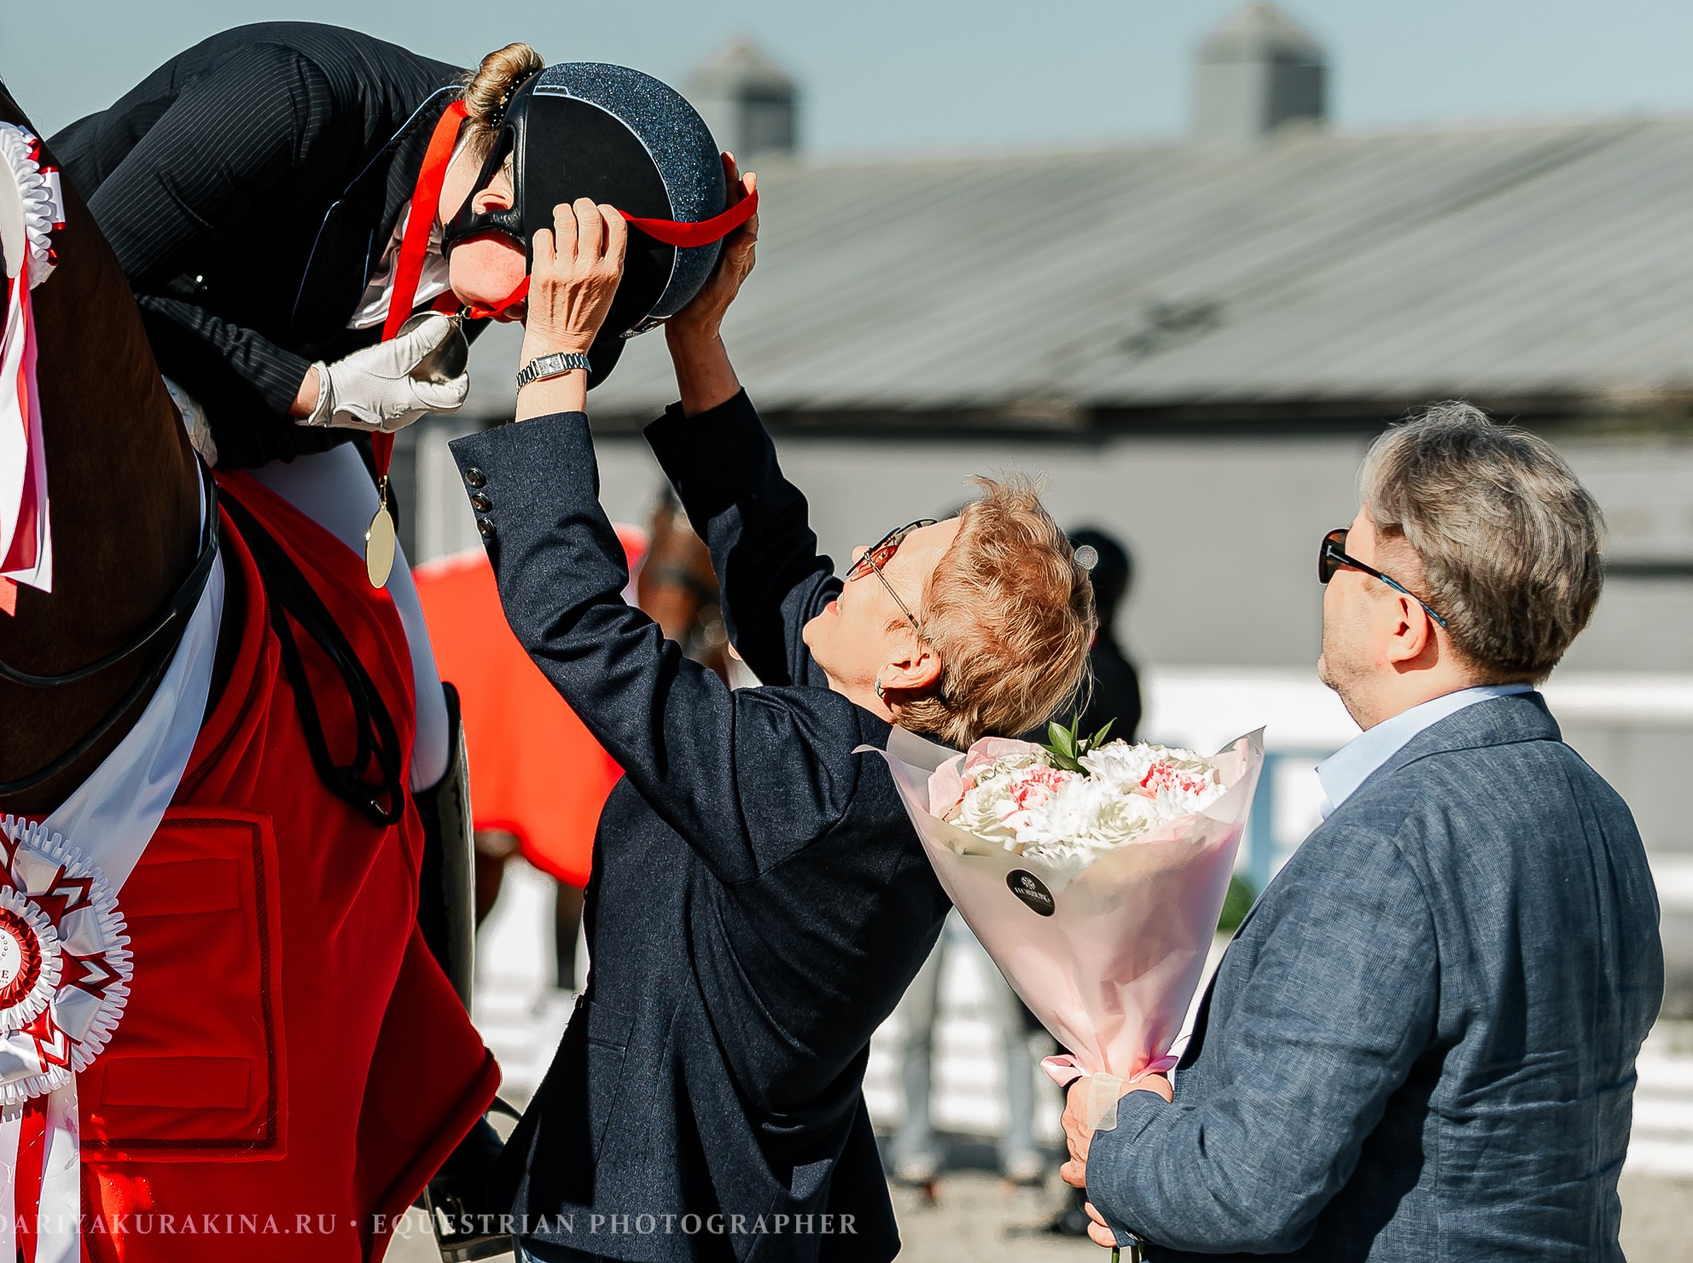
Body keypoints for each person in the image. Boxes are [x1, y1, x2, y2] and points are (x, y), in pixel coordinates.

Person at [448, 191, 1095, 1259]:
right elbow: (777, 567)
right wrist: (699, 341)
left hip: (651, 1227)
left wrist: (552, 359)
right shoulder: (901, 764)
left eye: (889, 557)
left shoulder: (801, 780)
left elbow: (573, 617)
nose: (862, 558)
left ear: (907, 658)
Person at [53, 25, 751, 798]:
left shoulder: (486, 234)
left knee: (415, 723)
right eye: (539, 298)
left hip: (250, 415)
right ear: (498, 198)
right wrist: (311, 389)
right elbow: (89, 276)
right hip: (49, 349)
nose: (525, 321)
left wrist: (308, 410)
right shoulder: (292, 96)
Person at [1064, 402, 1661, 1260]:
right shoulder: (1597, 808)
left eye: (1339, 556)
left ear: (1404, 621)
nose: (1326, 579)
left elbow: (1240, 1192)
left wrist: (1117, 1129)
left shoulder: (1391, 842)